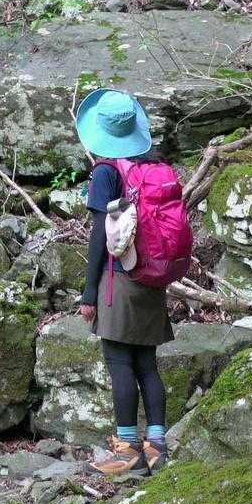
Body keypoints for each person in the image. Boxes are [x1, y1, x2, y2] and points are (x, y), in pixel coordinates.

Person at [75, 87, 173, 476]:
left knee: (119, 362)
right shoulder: (151, 164)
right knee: (147, 363)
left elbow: (100, 234)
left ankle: (128, 448)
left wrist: (89, 293)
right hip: (152, 277)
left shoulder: (106, 172)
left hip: (119, 279)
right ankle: (157, 446)